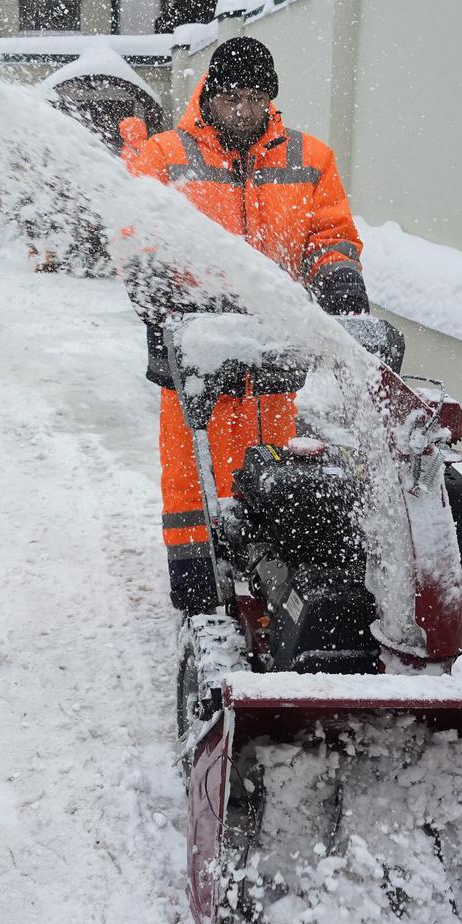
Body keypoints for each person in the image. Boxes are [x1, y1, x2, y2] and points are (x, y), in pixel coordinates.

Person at [127, 37, 369, 615]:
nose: (243, 109)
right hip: (196, 351)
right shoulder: (166, 154)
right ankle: (197, 580)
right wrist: (151, 280)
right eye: (232, 96)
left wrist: (338, 274)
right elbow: (134, 228)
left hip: (273, 352)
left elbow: (330, 232)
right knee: (192, 468)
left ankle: (267, 571)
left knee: (271, 464)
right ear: (210, 96)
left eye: (256, 97)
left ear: (271, 100)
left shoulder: (309, 158)